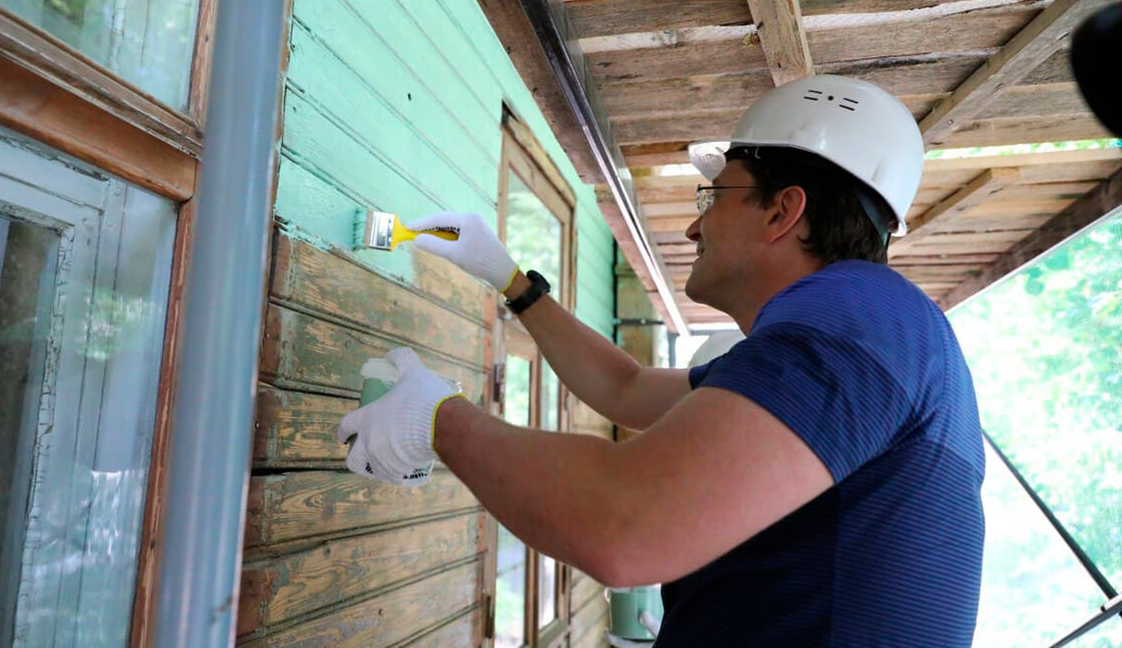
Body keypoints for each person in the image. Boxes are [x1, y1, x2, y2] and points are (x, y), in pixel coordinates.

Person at [338, 75, 986, 646]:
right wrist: (512, 281)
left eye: (714, 198)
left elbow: (626, 527)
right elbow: (627, 389)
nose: (692, 229)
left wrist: (439, 422)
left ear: (783, 212)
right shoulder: (869, 335)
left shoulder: (861, 321)